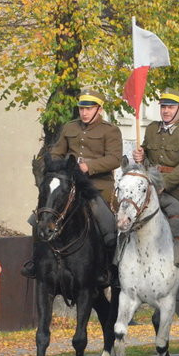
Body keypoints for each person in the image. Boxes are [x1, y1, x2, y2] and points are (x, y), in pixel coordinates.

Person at [22, 90, 122, 281]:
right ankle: (36, 262)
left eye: (89, 108)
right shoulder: (69, 128)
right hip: (69, 185)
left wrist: (88, 166)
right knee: (37, 219)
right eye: (82, 108)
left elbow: (114, 159)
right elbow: (57, 152)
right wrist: (58, 167)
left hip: (96, 187)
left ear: (99, 109)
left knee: (107, 224)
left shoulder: (110, 130)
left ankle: (108, 269)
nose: (84, 112)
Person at [132, 88, 179, 270]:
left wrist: (163, 183)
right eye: (163, 107)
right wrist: (141, 156)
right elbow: (147, 158)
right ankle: (118, 263)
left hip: (176, 190)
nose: (166, 111)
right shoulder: (152, 128)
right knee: (126, 214)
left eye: (171, 107)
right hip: (149, 186)